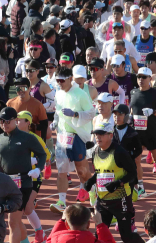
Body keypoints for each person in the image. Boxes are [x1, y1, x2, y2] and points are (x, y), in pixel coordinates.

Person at [83, 121, 144, 243]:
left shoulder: (119, 152)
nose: (98, 137)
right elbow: (100, 172)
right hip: (103, 200)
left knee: (126, 236)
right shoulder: (95, 151)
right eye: (96, 134)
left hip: (120, 200)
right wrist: (91, 180)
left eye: (101, 134)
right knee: (99, 234)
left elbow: (132, 173)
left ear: (110, 135)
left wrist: (118, 183)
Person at [0, 107, 47, 243]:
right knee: (14, 221)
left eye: (7, 121)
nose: (4, 124)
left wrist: (38, 169)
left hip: (23, 183)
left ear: (15, 121)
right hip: (5, 183)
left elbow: (42, 154)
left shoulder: (27, 137)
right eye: (1, 121)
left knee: (12, 221)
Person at [50, 66, 95, 213]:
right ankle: (61, 201)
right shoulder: (58, 93)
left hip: (77, 136)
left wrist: (75, 114)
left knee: (82, 171)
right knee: (61, 169)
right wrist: (55, 121)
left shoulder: (80, 94)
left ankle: (94, 195)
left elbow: (91, 113)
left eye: (62, 80)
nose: (60, 83)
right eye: (57, 81)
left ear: (70, 78)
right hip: (63, 135)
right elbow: (57, 111)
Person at [130, 67, 156, 196]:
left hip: (151, 132)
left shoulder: (155, 94)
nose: (140, 79)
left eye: (144, 77)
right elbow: (132, 110)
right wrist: (130, 119)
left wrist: (153, 112)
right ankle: (141, 187)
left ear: (150, 79)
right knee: (136, 160)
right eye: (139, 77)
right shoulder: (133, 92)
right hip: (137, 132)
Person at [47, 204, 116, 243]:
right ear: (88, 225)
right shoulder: (93, 241)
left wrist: (62, 221)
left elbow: (49, 240)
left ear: (67, 224)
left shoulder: (55, 239)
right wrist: (99, 224)